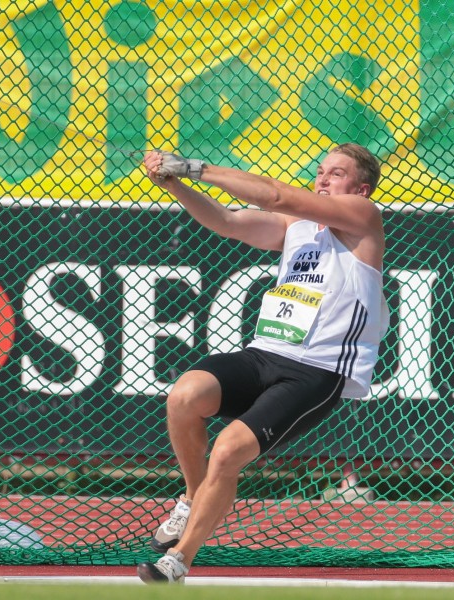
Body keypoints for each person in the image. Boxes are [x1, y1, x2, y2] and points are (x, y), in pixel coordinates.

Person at [137, 144, 389, 584]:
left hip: (317, 371)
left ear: (360, 188)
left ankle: (178, 559)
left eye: (337, 174)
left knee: (229, 449)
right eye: (320, 171)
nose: (324, 179)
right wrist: (176, 186)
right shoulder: (300, 227)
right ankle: (193, 497)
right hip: (265, 354)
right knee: (184, 395)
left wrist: (195, 166)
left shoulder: (362, 218)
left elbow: (275, 195)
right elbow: (227, 222)